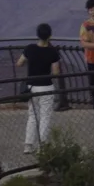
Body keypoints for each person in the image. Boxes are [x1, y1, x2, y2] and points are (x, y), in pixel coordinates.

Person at [18, 23, 63, 154]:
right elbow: (55, 72)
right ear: (50, 36)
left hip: (32, 87)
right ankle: (42, 145)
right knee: (45, 116)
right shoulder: (52, 52)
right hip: (46, 86)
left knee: (33, 115)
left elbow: (19, 63)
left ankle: (28, 144)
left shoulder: (30, 48)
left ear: (37, 35)